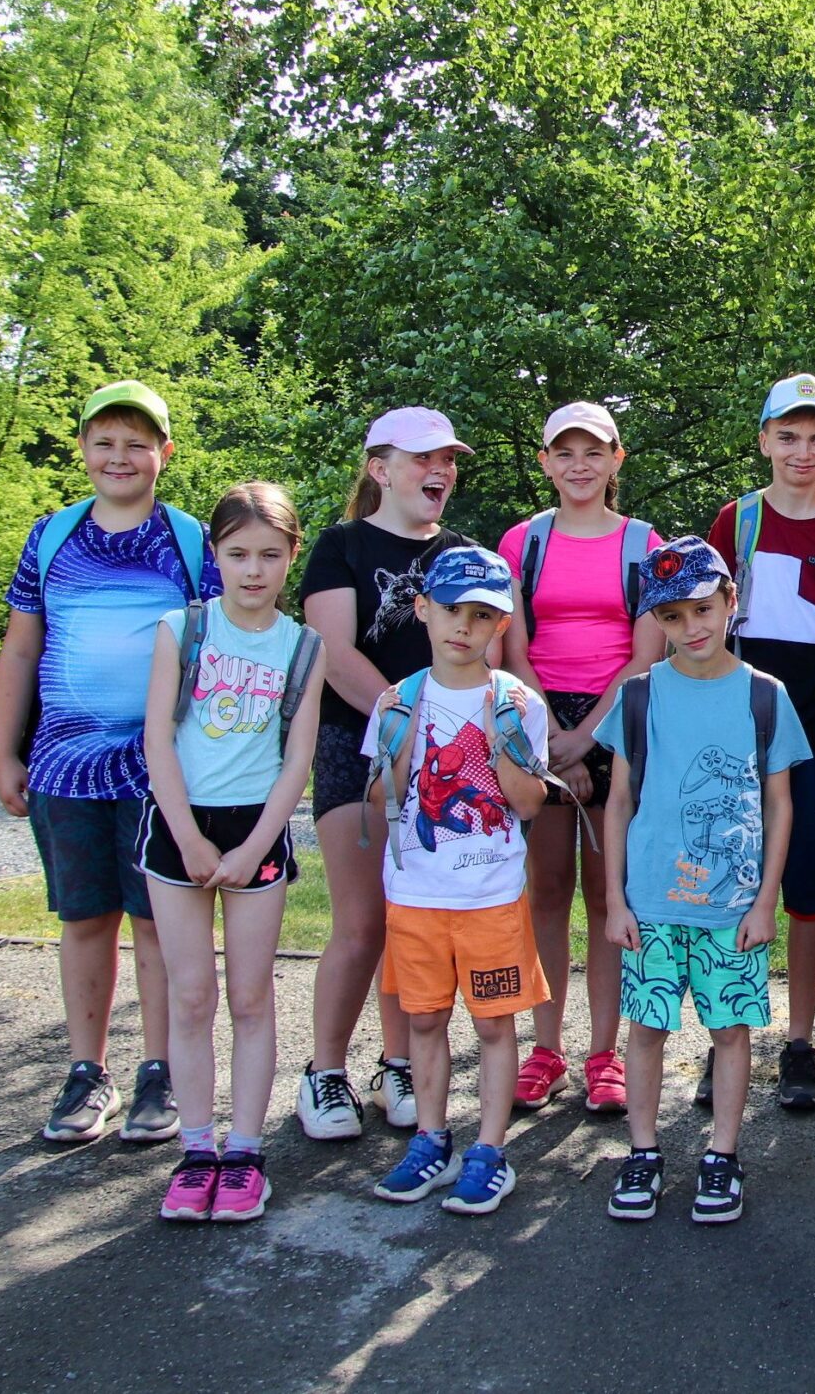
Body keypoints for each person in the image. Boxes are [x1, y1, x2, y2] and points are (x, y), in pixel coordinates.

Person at [0, 379, 219, 1144]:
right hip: (63, 766)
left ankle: (161, 1070)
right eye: (104, 442)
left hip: (164, 771)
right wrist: (3, 749)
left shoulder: (190, 541)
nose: (119, 456)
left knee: (158, 921)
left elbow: (218, 648)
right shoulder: (50, 536)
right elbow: (21, 647)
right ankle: (87, 1072)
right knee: (85, 917)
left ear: (165, 453)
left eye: (136, 443)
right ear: (83, 448)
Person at [597, 538, 807, 1226]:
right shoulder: (638, 694)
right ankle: (644, 1151)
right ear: (656, 621)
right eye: (673, 615)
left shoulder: (764, 696)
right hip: (651, 905)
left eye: (703, 609)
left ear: (730, 601)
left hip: (732, 909)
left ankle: (722, 1155)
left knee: (730, 1031)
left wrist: (766, 899)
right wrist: (614, 898)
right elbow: (619, 802)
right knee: (646, 1028)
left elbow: (779, 805)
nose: (691, 626)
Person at [143, 483, 323, 1222]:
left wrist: (253, 847)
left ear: (291, 556)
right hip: (177, 825)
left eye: (270, 555)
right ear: (214, 553)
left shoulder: (303, 646)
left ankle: (245, 1152)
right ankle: (196, 1152)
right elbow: (157, 738)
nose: (254, 570)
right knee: (190, 996)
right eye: (239, 553)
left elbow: (297, 761)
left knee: (251, 997)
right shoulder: (181, 629)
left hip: (258, 829)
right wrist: (187, 835)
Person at [293, 407, 474, 1140]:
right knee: (363, 921)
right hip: (356, 745)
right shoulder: (340, 546)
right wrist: (409, 726)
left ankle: (397, 1064)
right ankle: (324, 1071)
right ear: (380, 469)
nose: (440, 471)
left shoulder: (462, 552)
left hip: (444, 758)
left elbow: (484, 651)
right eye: (423, 458)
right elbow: (334, 653)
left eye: (448, 459)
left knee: (414, 923)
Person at [706, 374, 815, 1114]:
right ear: (764, 441)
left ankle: (800, 1041)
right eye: (787, 436)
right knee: (731, 886)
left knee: (809, 897)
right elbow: (709, 632)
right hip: (743, 732)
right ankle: (726, 1034)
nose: (801, 451)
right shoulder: (736, 521)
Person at [363, 546, 553, 1215]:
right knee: (424, 1021)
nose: (463, 627)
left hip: (489, 898)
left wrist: (500, 745)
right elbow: (381, 799)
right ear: (422, 609)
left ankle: (490, 1150)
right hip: (416, 896)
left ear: (502, 624)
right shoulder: (396, 701)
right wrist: (405, 740)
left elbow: (529, 804)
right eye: (451, 610)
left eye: (481, 615)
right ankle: (430, 1139)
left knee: (496, 1026)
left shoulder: (518, 703)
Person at [498, 400, 662, 1118]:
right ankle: (545, 1050)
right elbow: (512, 645)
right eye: (564, 452)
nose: (579, 465)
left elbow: (647, 652)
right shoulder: (522, 541)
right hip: (537, 723)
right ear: (545, 463)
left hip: (615, 721)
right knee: (545, 890)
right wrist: (549, 736)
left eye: (593, 451)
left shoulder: (644, 543)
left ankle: (603, 1052)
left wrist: (587, 736)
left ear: (616, 458)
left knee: (606, 894)